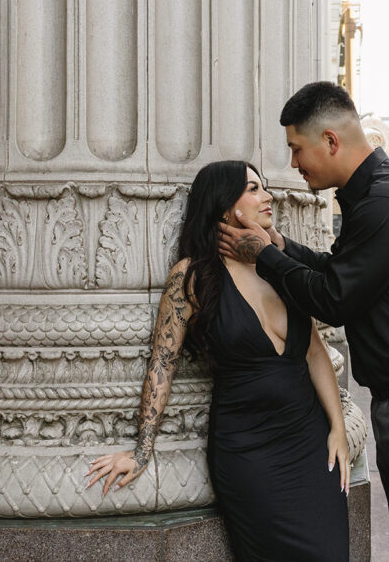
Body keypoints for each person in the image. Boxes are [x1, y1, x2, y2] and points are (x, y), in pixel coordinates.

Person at [219, 82, 389, 562]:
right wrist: (285, 249)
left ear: (330, 141)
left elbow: (335, 299)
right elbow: (343, 271)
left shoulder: (386, 200)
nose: (292, 165)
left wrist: (264, 256)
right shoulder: (368, 195)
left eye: (296, 149)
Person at [86, 160, 350, 561]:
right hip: (249, 453)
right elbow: (162, 363)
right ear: (226, 207)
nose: (268, 196)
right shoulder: (192, 276)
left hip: (310, 445)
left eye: (264, 187)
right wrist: (141, 450)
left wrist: (338, 429)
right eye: (254, 189)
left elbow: (315, 351)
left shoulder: (279, 265)